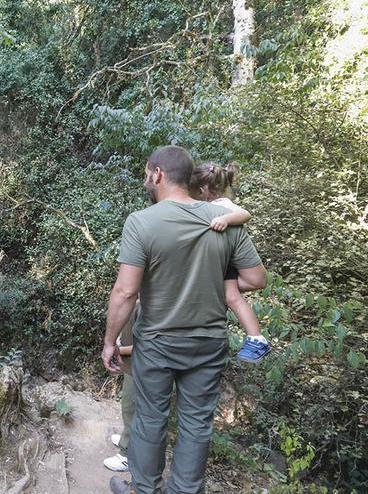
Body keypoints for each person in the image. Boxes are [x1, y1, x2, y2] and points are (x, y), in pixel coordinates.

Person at [102, 145, 267, 494]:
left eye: (147, 173)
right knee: (196, 423)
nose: (146, 179)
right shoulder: (222, 219)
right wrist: (212, 283)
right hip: (209, 343)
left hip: (158, 343)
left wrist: (109, 342)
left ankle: (143, 489)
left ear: (158, 174)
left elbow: (125, 293)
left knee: (150, 419)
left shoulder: (142, 222)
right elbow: (255, 280)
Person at [190, 162, 270, 363]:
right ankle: (255, 338)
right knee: (230, 297)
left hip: (227, 262)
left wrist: (226, 220)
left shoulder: (221, 205)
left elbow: (245, 214)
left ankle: (257, 338)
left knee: (233, 298)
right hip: (222, 262)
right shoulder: (210, 205)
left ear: (202, 190)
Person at [104, 304, 138, 473]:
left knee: (132, 409)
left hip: (141, 368)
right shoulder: (139, 300)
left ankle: (126, 455)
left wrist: (118, 349)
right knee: (128, 406)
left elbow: (148, 344)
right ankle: (127, 438)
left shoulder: (149, 303)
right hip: (132, 366)